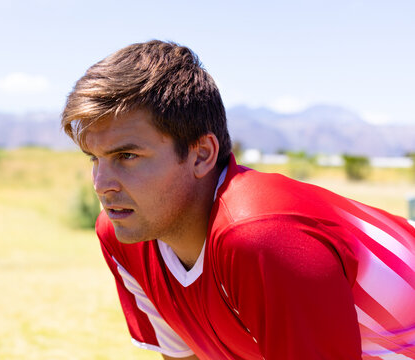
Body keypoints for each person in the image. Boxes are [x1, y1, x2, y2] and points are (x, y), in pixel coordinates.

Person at [61, 40, 415, 360]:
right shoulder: (126, 234)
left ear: (201, 155)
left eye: (127, 156)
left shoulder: (262, 236)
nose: (101, 185)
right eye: (95, 158)